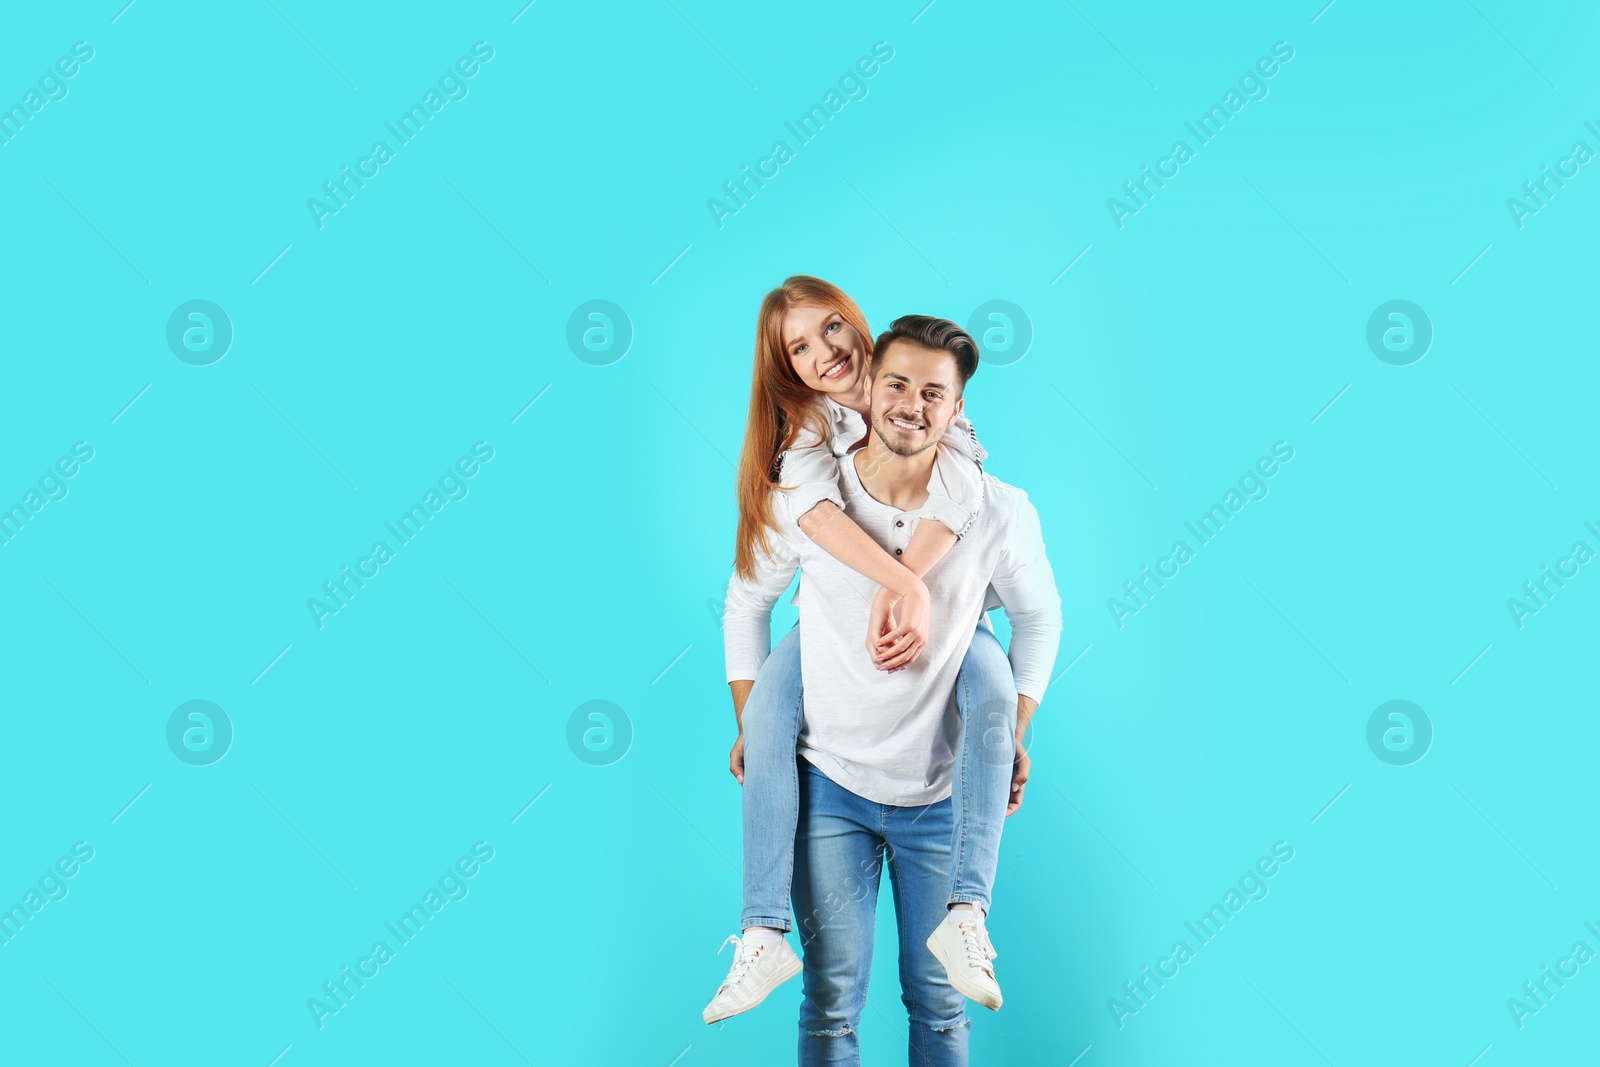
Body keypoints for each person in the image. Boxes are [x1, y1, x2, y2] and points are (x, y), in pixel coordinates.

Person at [724, 316, 1062, 1064]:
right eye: (899, 384)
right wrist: (761, 729)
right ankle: (758, 931)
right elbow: (747, 602)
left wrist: (1018, 728)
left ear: (958, 409)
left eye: (935, 393)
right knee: (830, 1003)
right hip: (831, 789)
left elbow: (1039, 617)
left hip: (940, 797)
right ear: (869, 386)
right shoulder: (813, 492)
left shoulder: (995, 506)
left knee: (940, 1006)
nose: (913, 404)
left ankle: (971, 913)